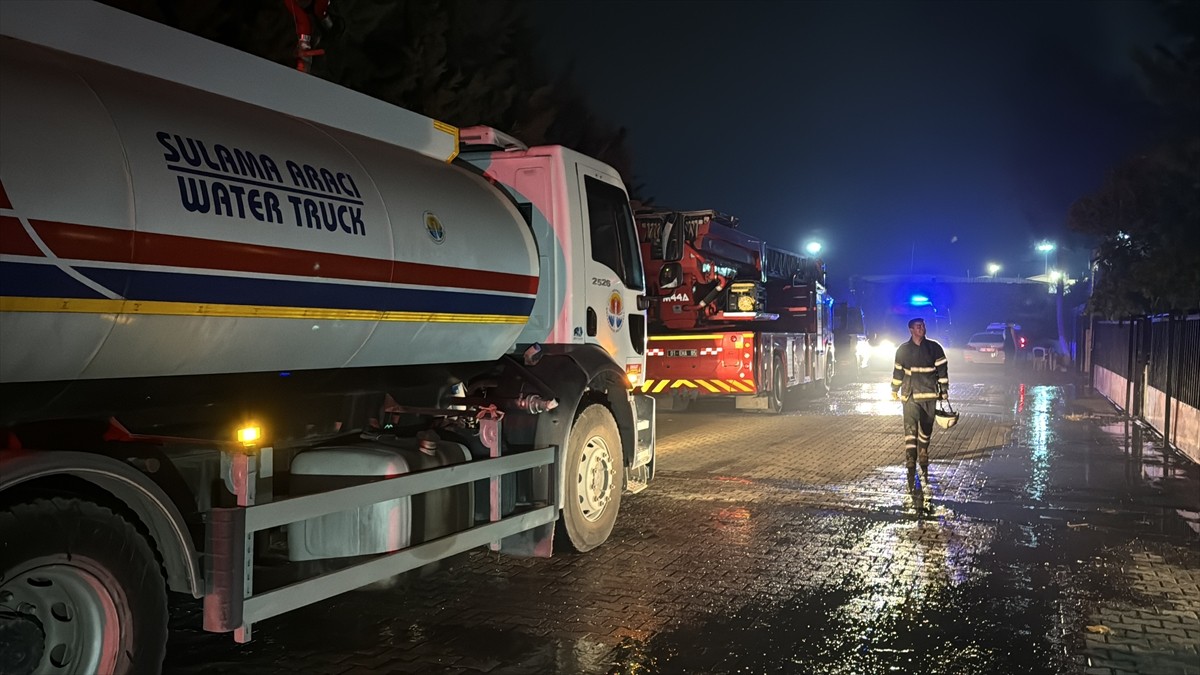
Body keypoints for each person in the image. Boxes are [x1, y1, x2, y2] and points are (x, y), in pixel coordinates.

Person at [890, 318, 949, 489]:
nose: (922, 328)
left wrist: (944, 389)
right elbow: (898, 371)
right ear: (911, 330)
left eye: (923, 326)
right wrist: (894, 389)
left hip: (929, 396)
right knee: (910, 428)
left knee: (926, 428)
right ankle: (910, 457)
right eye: (918, 326)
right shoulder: (903, 350)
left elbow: (942, 369)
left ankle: (923, 450)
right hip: (910, 396)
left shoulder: (934, 348)